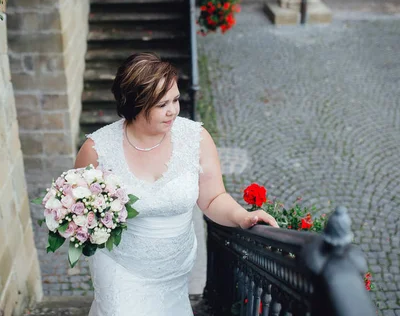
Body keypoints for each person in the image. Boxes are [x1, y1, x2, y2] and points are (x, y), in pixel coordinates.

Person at [75, 52, 278, 316]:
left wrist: (243, 217)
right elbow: (79, 207)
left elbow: (213, 197)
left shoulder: (196, 139)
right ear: (135, 104)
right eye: (162, 105)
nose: (173, 111)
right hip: (120, 266)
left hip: (175, 270)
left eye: (175, 100)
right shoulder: (97, 149)